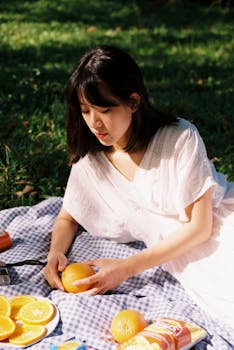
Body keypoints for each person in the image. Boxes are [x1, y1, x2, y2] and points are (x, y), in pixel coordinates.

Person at [43, 45, 234, 329]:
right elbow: (68, 215)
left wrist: (126, 268)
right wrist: (55, 253)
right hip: (178, 255)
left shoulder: (179, 137)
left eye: (105, 110)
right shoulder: (91, 161)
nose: (94, 123)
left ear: (133, 102)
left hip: (219, 229)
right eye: (85, 111)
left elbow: (201, 227)